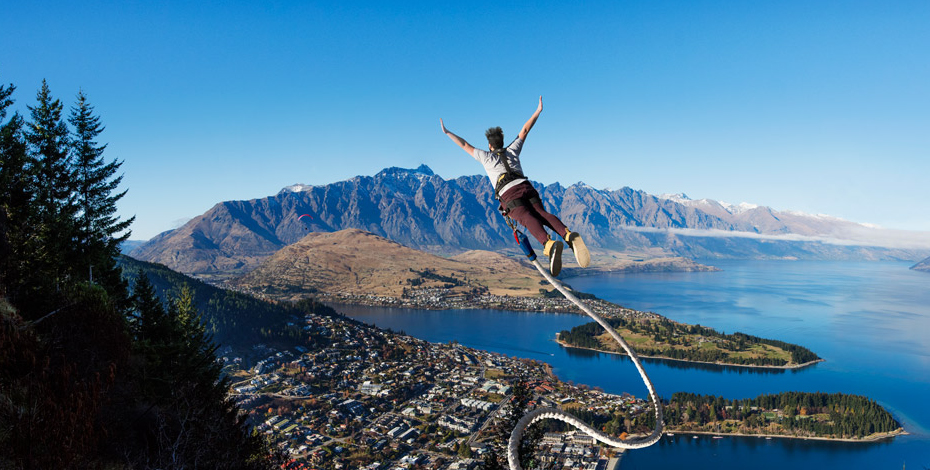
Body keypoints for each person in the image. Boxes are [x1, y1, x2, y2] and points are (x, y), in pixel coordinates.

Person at [440, 96, 589, 276]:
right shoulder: (512, 150)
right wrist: (538, 111)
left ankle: (548, 244)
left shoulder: (486, 157)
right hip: (526, 186)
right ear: (501, 143)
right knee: (542, 214)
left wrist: (447, 132)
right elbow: (525, 130)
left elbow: (465, 144)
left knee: (526, 218)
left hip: (509, 194)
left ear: (490, 145)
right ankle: (567, 234)